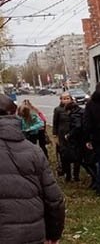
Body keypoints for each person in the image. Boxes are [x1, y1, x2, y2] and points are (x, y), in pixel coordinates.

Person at [0, 94, 65, 243]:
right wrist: (53, 234)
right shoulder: (34, 152)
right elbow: (54, 200)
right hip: (30, 234)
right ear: (14, 114)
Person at [52, 92, 73, 180]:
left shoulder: (74, 108)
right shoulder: (58, 110)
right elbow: (55, 123)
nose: (66, 100)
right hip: (62, 135)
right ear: (61, 100)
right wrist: (55, 136)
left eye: (67, 98)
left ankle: (76, 174)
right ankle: (67, 174)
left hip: (72, 134)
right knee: (64, 155)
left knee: (75, 153)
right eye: (64, 98)